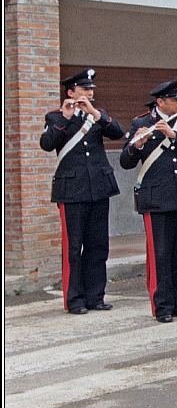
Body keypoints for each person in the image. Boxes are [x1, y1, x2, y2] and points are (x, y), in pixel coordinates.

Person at [119, 78, 177, 322]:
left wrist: (174, 135)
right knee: (161, 253)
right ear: (161, 102)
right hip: (157, 196)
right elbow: (126, 162)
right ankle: (163, 307)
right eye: (176, 99)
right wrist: (136, 145)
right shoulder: (141, 122)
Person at [40, 68, 126, 314]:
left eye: (91, 89)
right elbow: (46, 144)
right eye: (84, 89)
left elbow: (118, 133)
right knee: (73, 248)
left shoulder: (97, 116)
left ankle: (95, 297)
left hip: (98, 188)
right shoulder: (56, 117)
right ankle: (74, 299)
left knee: (98, 246)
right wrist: (66, 119)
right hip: (72, 191)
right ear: (70, 92)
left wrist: (95, 114)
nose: (89, 93)